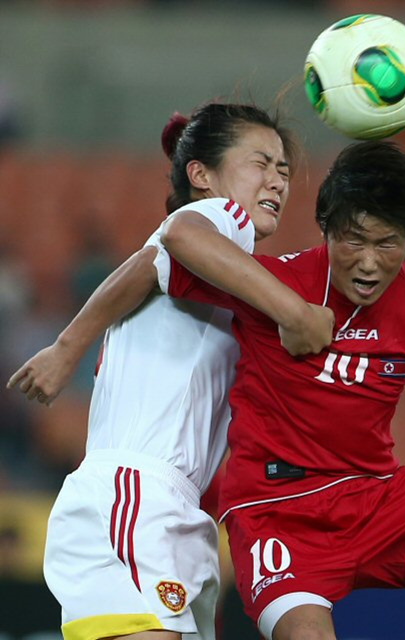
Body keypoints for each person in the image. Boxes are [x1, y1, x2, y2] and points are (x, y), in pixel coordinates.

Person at [157, 140, 405, 640]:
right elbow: (172, 241)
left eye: (386, 244)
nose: (367, 263)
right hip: (277, 512)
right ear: (326, 229)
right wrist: (67, 347)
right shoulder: (271, 284)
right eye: (352, 240)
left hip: (381, 501)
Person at [7, 101, 334, 640]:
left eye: (283, 169)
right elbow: (175, 236)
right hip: (137, 493)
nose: (277, 179)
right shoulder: (217, 219)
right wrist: (66, 347)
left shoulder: (233, 275)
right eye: (260, 162)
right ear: (201, 175)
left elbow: (150, 260)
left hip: (174, 508)